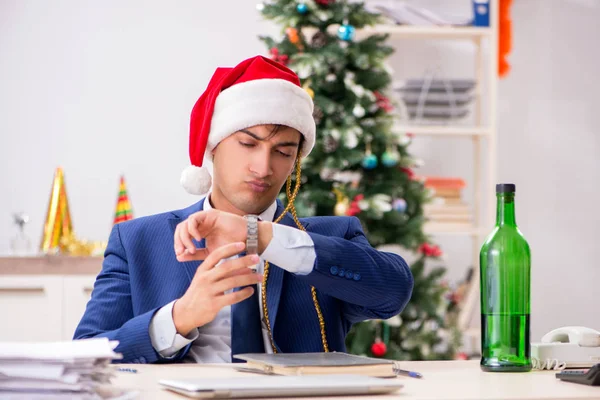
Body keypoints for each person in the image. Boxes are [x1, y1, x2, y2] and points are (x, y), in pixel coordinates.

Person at [74, 56, 414, 364]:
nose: (263, 167)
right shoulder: (138, 241)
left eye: (283, 151)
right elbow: (85, 354)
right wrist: (178, 318)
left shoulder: (330, 237)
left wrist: (261, 236)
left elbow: (393, 292)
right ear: (213, 145)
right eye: (248, 144)